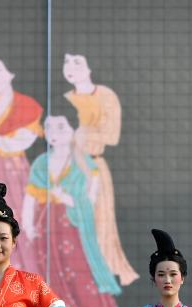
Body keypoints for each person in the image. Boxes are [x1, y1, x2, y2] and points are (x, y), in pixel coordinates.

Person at [23, 115, 135, 307]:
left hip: (76, 236)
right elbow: (29, 201)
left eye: (61, 126)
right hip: (48, 238)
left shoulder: (85, 164)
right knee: (59, 302)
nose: (54, 132)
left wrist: (68, 198)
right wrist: (28, 226)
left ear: (73, 130)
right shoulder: (41, 164)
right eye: (49, 127)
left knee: (88, 298)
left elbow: (90, 201)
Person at [62, 53, 137, 286]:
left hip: (93, 164)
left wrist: (84, 134)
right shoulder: (65, 99)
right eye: (67, 64)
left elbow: (112, 136)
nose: (71, 68)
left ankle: (108, 269)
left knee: (100, 221)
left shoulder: (105, 96)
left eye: (77, 63)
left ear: (89, 68)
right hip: (67, 168)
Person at [0, 59, 42, 272]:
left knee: (18, 219)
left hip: (14, 172)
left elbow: (21, 141)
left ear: (11, 73)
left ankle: (27, 270)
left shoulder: (26, 105)